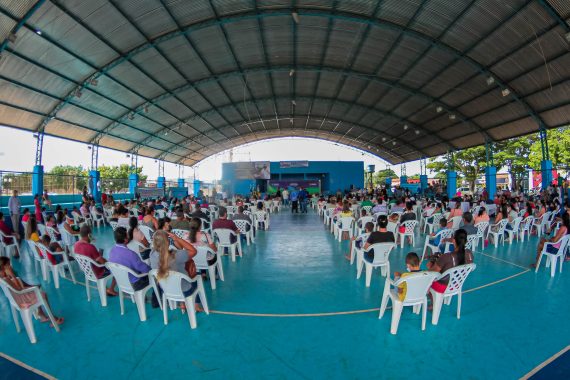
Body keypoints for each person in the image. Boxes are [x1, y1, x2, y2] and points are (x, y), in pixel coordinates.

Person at [150, 229, 203, 312]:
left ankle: (182, 304)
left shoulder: (152, 254)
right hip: (184, 290)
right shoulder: (176, 255)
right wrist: (177, 239)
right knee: (195, 277)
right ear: (167, 242)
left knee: (177, 275)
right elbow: (193, 251)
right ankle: (196, 305)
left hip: (166, 289)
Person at [0, 257, 64, 325]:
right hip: (22, 300)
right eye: (8, 265)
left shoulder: (2, 279)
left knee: (37, 290)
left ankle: (42, 315)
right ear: (3, 267)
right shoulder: (6, 279)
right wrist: (13, 275)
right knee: (43, 294)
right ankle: (53, 319)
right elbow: (19, 289)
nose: (10, 266)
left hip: (16, 299)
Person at [73, 225, 117, 296]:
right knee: (116, 269)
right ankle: (111, 289)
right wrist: (108, 262)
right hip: (97, 272)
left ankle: (104, 288)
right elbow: (102, 262)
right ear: (89, 234)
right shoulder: (90, 247)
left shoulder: (76, 244)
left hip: (87, 271)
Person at [428, 229, 474, 294]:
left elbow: (432, 273)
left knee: (425, 280)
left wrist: (430, 266)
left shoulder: (446, 257)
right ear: (466, 241)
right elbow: (471, 268)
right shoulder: (469, 254)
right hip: (457, 284)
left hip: (443, 287)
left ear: (454, 241)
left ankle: (433, 302)